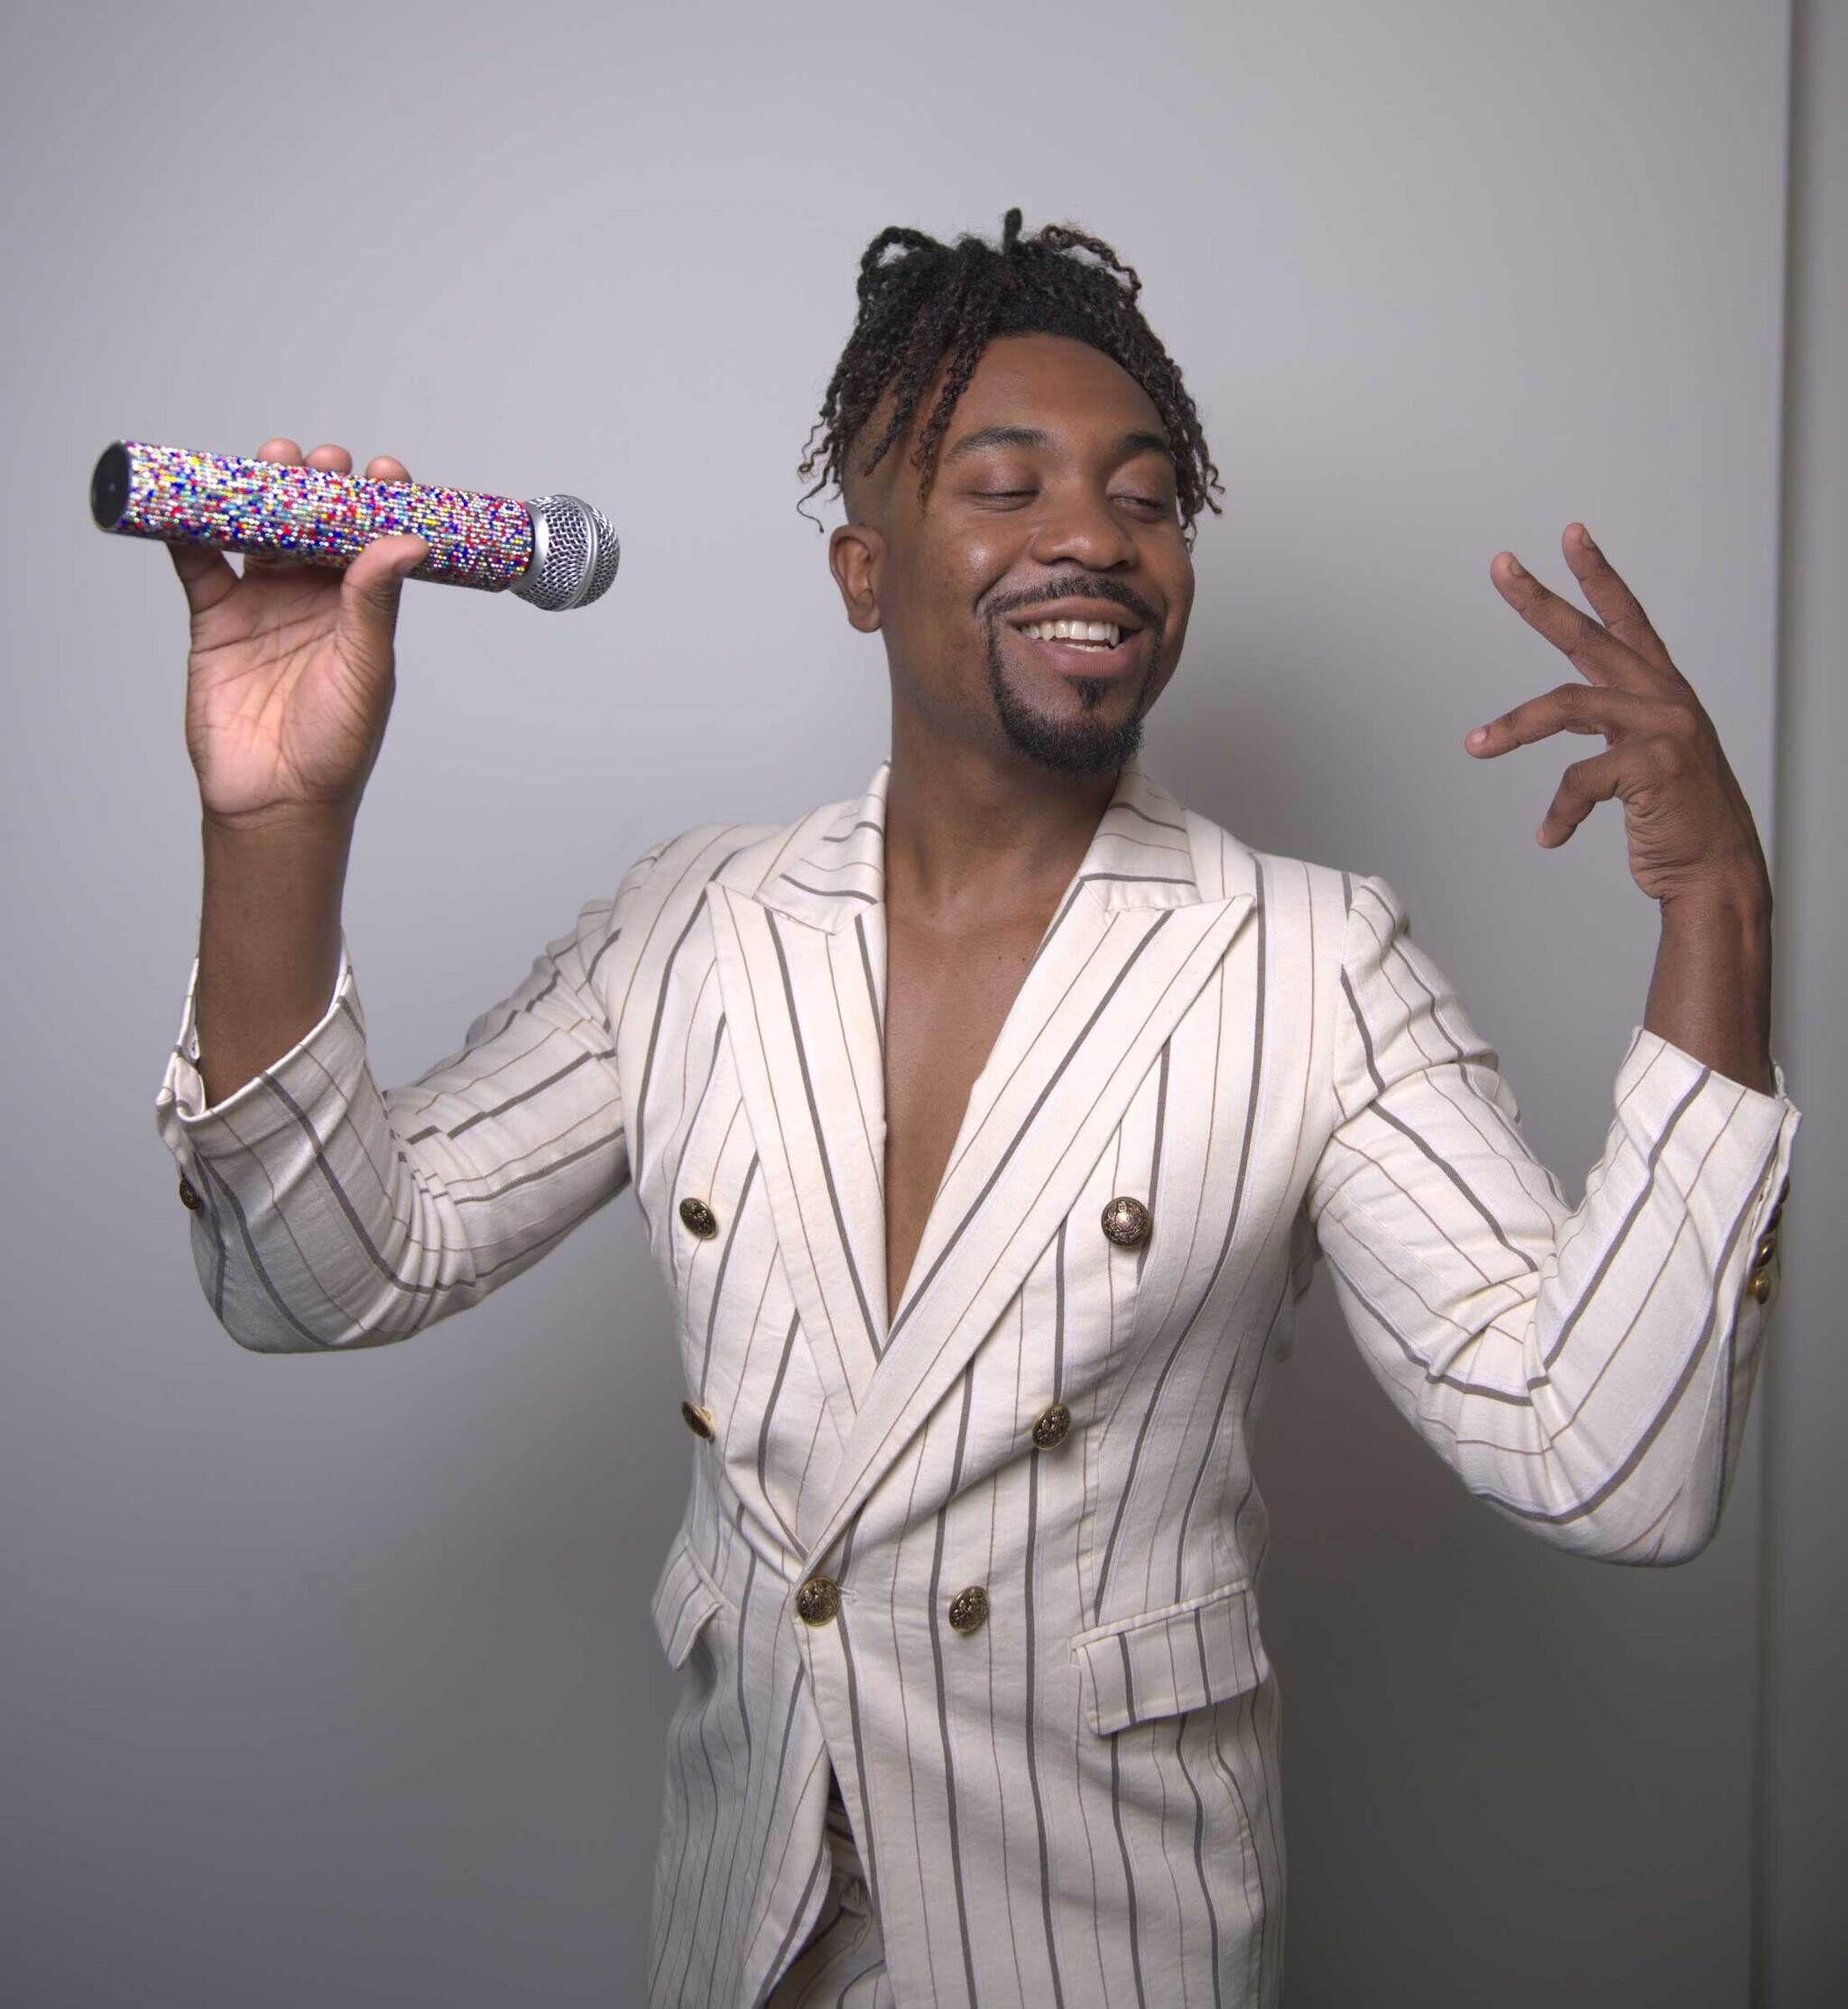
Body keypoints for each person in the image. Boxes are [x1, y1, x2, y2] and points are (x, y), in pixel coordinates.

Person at [152, 209, 1801, 2009]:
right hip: (743, 1943)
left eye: (1145, 495)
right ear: (865, 570)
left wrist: (1715, 903)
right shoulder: (692, 929)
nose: (1092, 533)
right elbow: (317, 1278)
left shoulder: (1308, 967)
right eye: (1003, 485)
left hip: (1105, 1960)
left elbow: (1614, 1463)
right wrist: (275, 827)